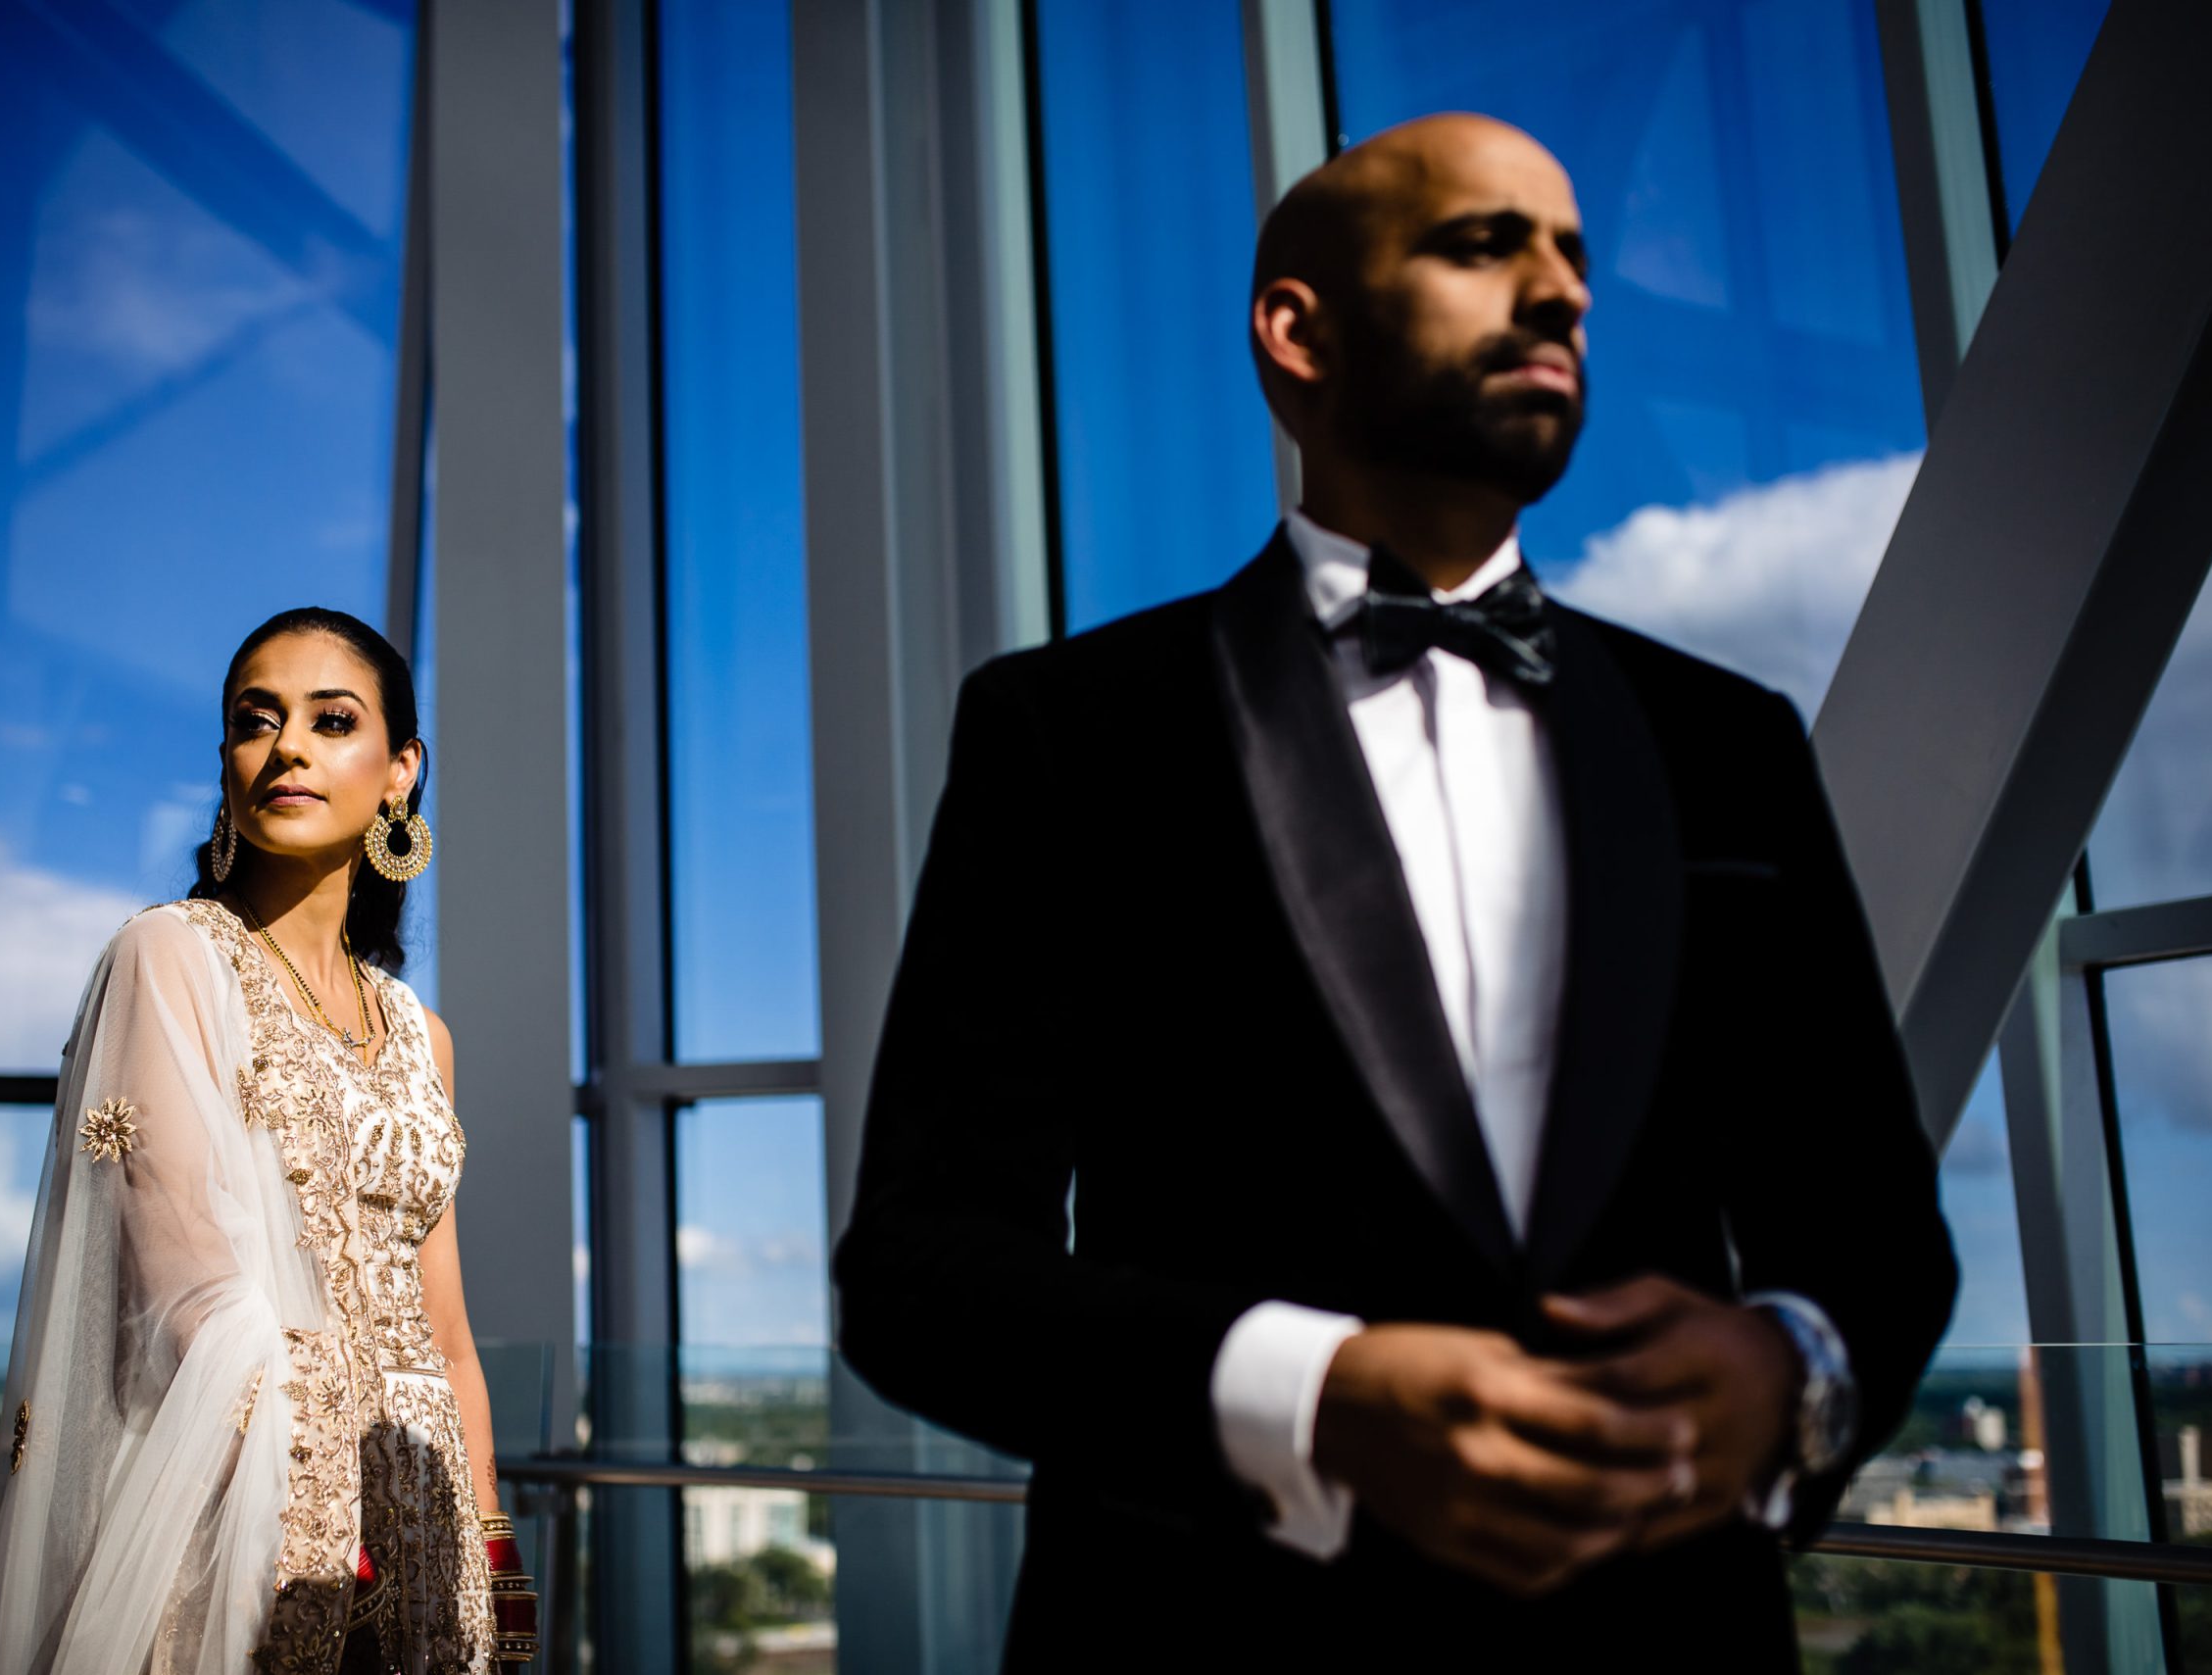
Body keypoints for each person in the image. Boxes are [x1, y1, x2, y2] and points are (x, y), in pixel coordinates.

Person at [834, 114, 1957, 1667]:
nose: (1560, 290)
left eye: (1572, 254)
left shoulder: (1732, 743)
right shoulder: (1065, 731)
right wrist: (1317, 1393)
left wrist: (1794, 1366)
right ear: (1299, 330)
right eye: (1485, 245)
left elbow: (1878, 1234)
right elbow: (919, 1267)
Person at [0, 609, 536, 1673]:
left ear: (400, 770)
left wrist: (489, 1549)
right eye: (255, 720)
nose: (289, 748)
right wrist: (315, 1525)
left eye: (331, 720)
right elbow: (188, 1292)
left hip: (421, 1523)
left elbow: (445, 1333)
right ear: (227, 763)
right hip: (255, 1516)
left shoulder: (422, 1034)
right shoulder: (173, 956)